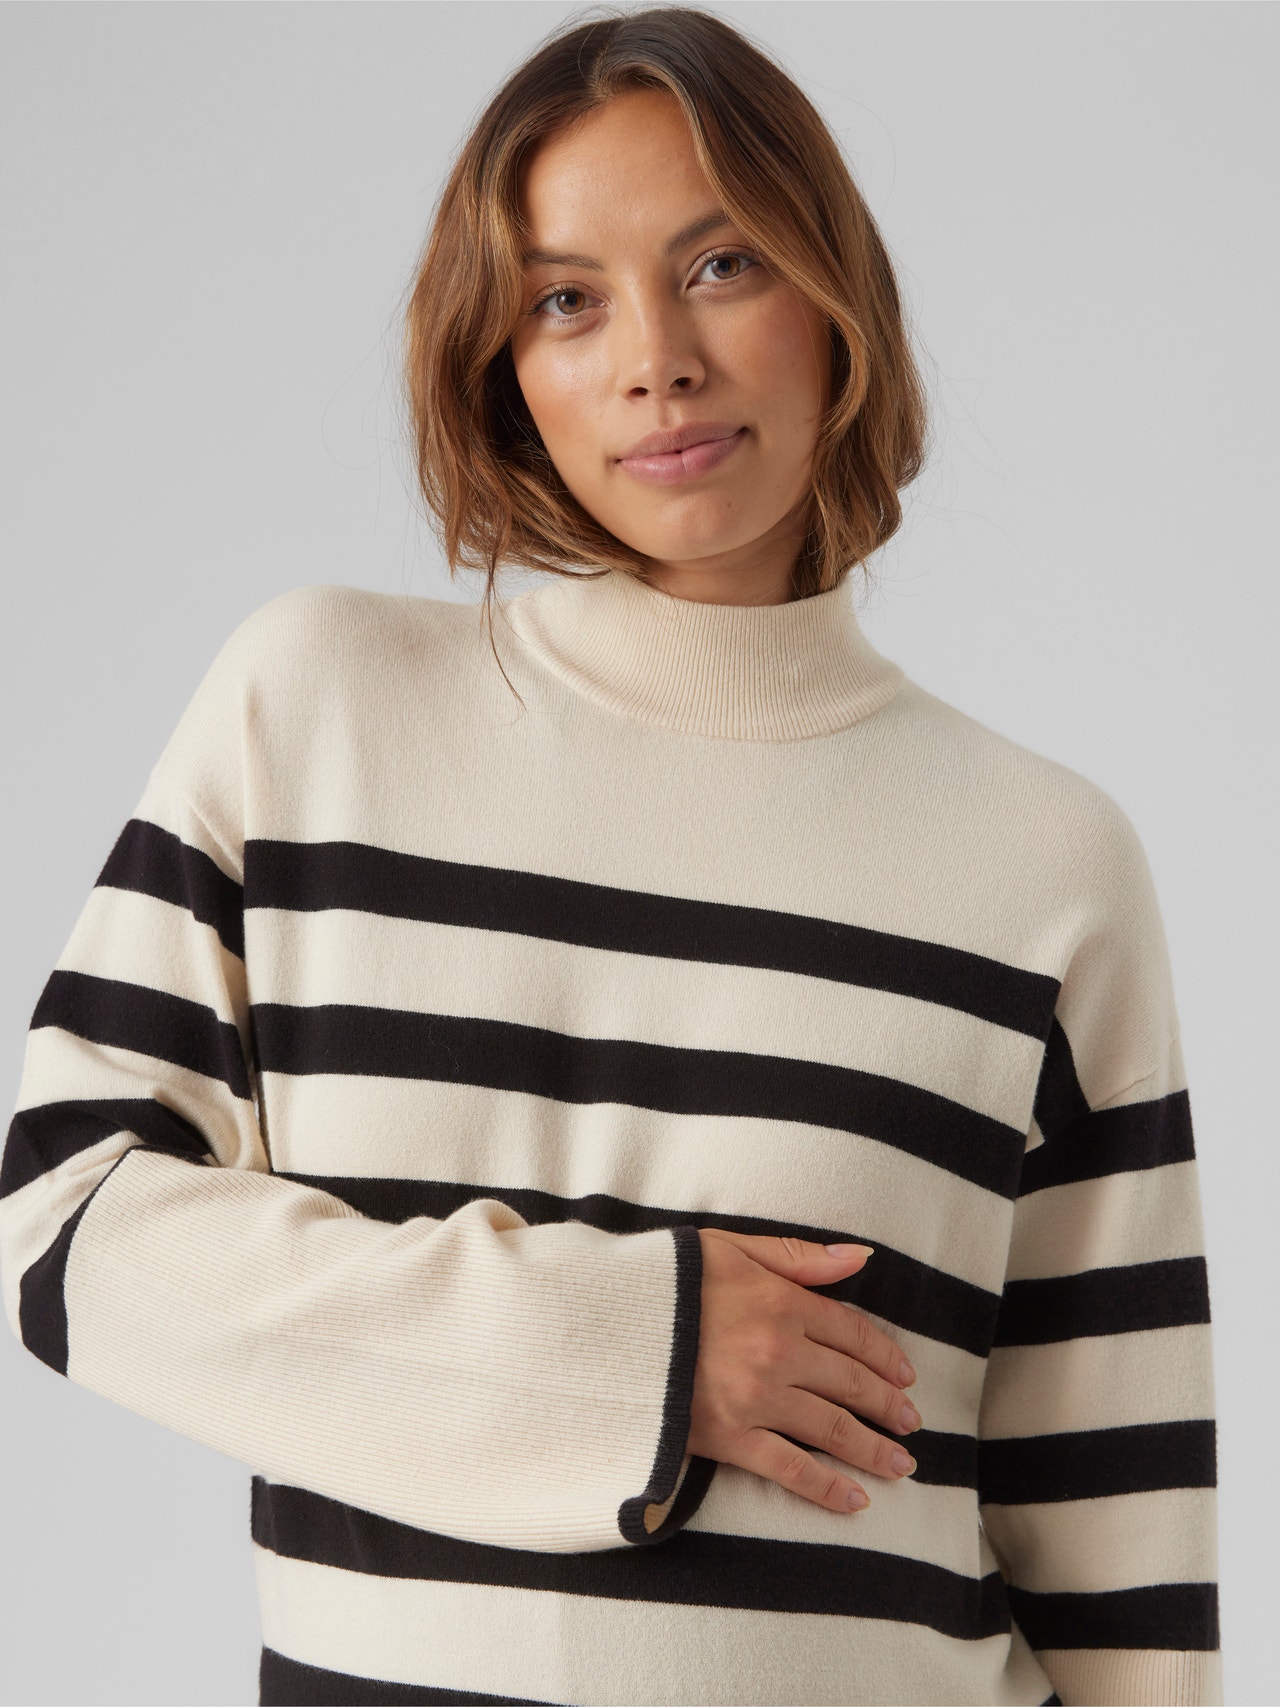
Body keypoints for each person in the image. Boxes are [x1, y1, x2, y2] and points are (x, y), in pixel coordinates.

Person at [0, 7, 1221, 1706]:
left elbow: (1122, 1567)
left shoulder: (1046, 861)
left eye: (721, 265)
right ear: (501, 365)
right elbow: (64, 1226)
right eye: (567, 300)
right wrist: (631, 1354)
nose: (657, 359)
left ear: (835, 300)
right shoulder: (317, 713)